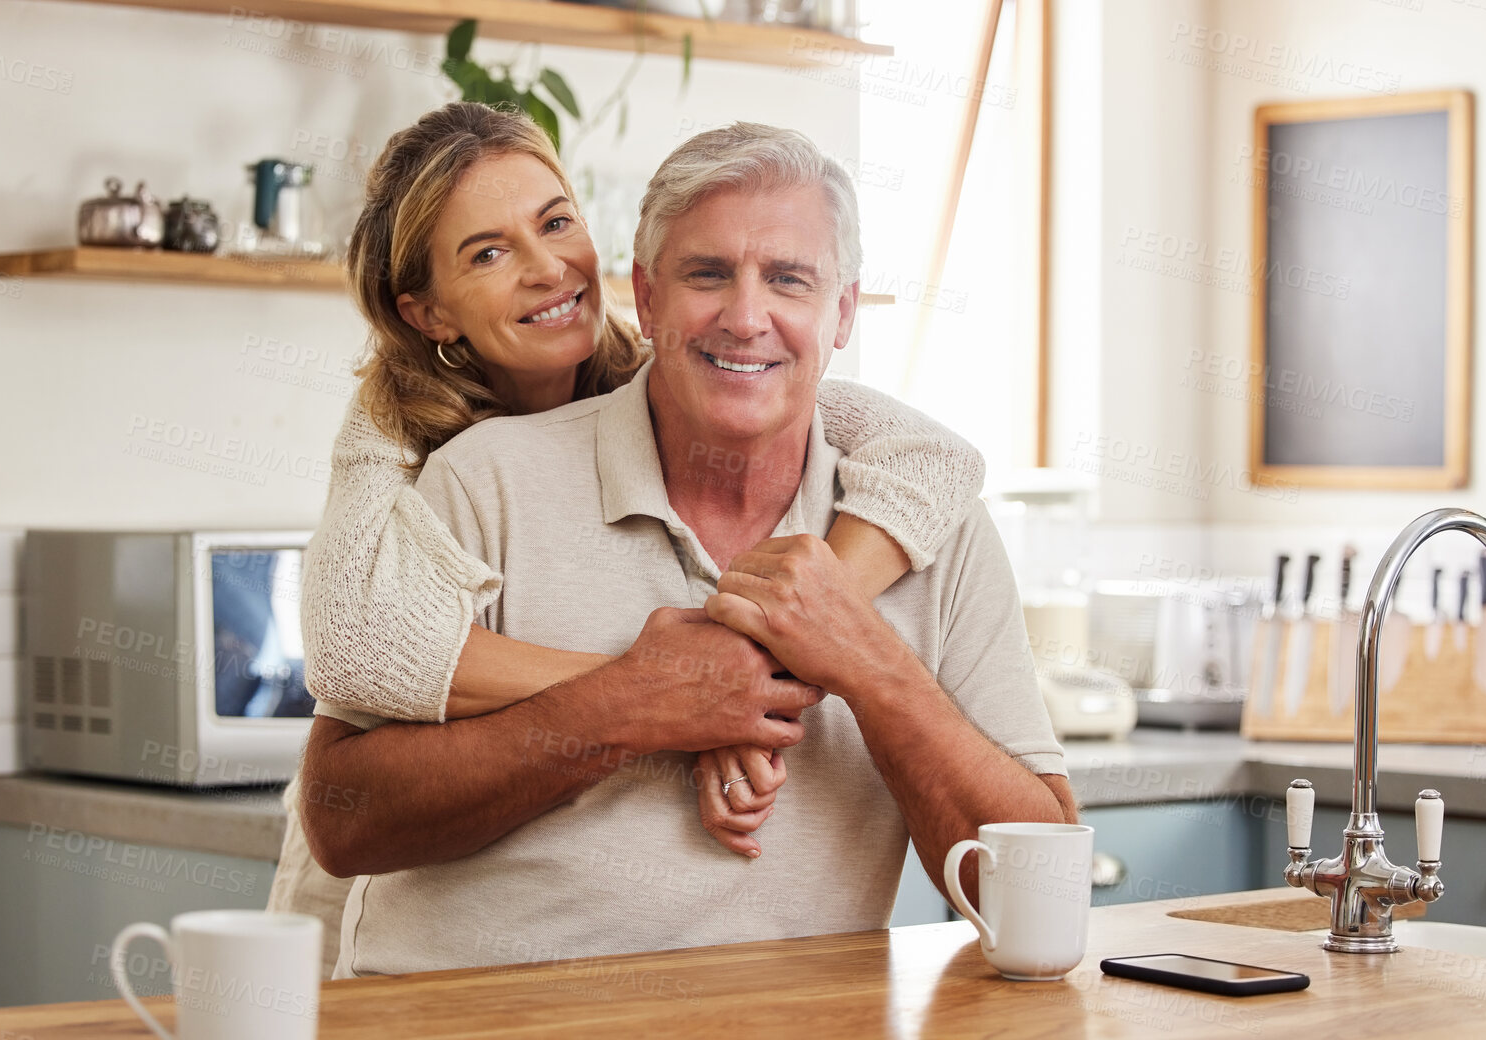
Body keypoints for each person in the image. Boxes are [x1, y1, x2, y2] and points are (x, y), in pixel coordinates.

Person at [301, 121, 1074, 979]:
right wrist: (636, 703)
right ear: (649, 293)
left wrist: (860, 658)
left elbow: (1037, 897)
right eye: (707, 274)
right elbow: (341, 809)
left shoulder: (923, 520)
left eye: (789, 278)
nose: (746, 318)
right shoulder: (462, 470)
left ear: (843, 311)